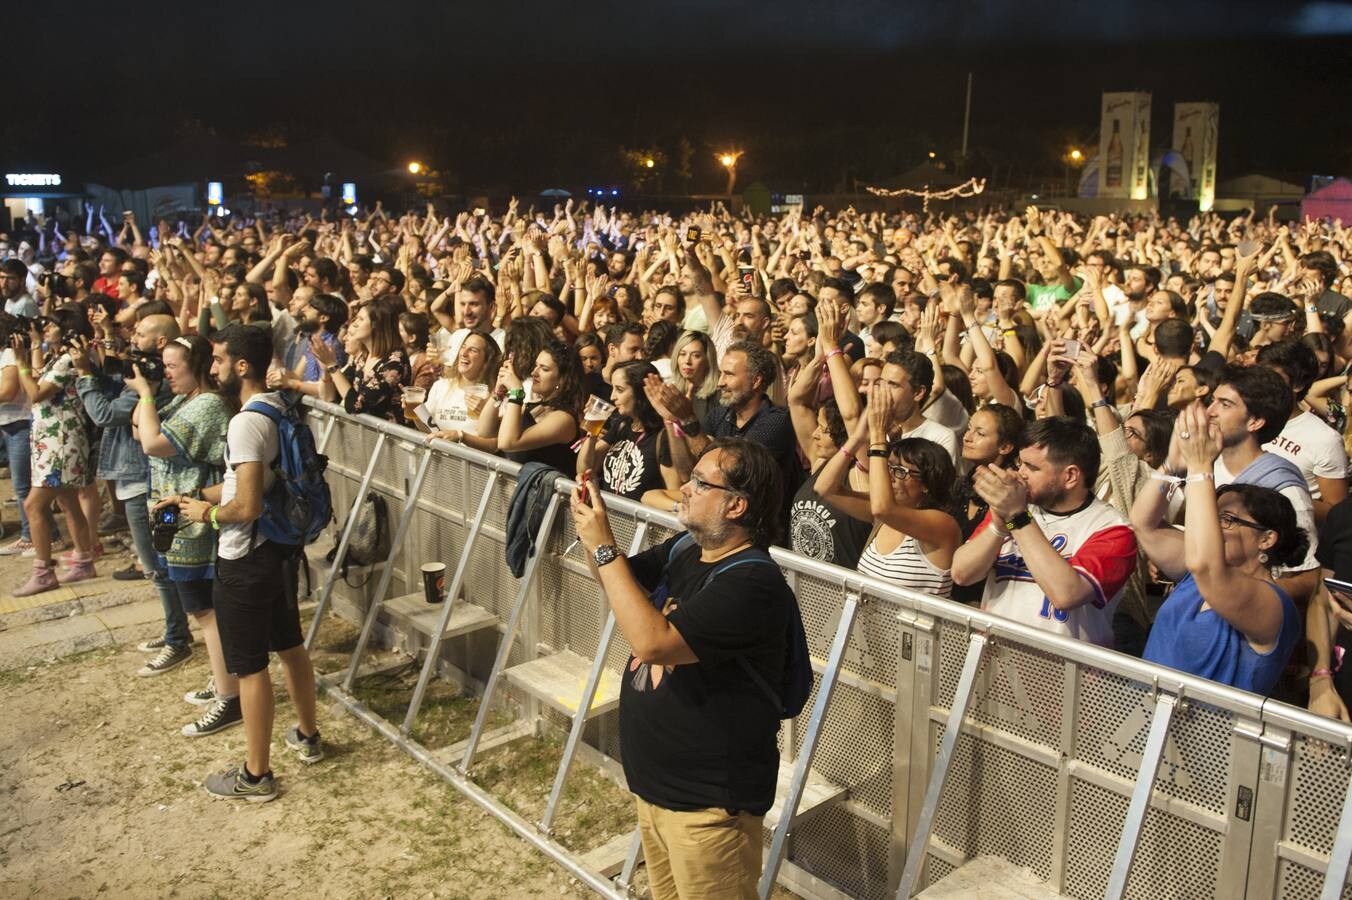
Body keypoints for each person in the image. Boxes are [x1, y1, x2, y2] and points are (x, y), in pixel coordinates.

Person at [569, 438, 795, 900]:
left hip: (708, 807)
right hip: (656, 790)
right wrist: (597, 529)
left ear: (736, 505)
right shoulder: (686, 550)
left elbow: (653, 644)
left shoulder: (754, 582)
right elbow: (616, 582)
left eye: (700, 481)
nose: (685, 488)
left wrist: (605, 548)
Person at [158, 324, 322, 801]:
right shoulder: (277, 407)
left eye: (219, 360)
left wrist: (205, 513)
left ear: (242, 365)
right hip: (274, 552)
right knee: (289, 645)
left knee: (249, 666)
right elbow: (248, 485)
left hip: (244, 557)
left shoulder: (245, 422)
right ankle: (308, 737)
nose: (213, 369)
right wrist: (192, 497)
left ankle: (255, 775)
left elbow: (245, 505)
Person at [1131, 402, 1305, 695]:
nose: (1212, 526)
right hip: (1145, 724)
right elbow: (1143, 524)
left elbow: (1207, 567)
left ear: (1267, 539)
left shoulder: (1274, 604)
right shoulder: (1196, 577)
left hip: (1209, 738)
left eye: (1227, 519)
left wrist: (1201, 467)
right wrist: (1173, 466)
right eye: (1213, 515)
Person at [132, 335, 243, 733]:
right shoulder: (185, 400)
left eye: (171, 367)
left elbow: (151, 442)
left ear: (195, 365)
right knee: (202, 609)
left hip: (196, 523)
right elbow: (137, 429)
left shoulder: (208, 404)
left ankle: (231, 698)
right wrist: (150, 395)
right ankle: (223, 681)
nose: (165, 374)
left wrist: (145, 394)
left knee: (206, 610)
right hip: (176, 520)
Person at [951, 416, 1138, 646]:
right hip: (997, 664)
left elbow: (1066, 594)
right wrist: (999, 526)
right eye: (1020, 463)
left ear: (1070, 476)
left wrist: (1017, 518)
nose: (1020, 474)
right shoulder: (1014, 507)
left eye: (1032, 467)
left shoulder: (1114, 529)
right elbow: (961, 574)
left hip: (1065, 673)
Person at [816, 396, 961, 597]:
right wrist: (857, 437)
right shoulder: (883, 516)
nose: (890, 476)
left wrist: (877, 438)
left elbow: (882, 508)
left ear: (927, 485)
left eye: (901, 471)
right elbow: (825, 488)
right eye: (890, 467)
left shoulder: (943, 525)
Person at [11, 309, 98, 595]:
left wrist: (21, 365)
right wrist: (33, 349)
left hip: (60, 440)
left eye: (51, 325)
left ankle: (43, 571)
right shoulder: (56, 357)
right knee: (68, 501)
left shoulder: (66, 361)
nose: (45, 328)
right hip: (53, 439)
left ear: (67, 328)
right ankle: (84, 560)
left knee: (33, 505)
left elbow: (35, 392)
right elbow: (36, 377)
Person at [579, 360, 681, 503]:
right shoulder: (622, 425)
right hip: (607, 515)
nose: (612, 396)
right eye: (613, 388)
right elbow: (585, 469)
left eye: (619, 390)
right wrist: (592, 432)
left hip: (637, 521)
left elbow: (674, 493)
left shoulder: (663, 436)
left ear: (640, 393)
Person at [478, 340, 582, 474]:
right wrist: (499, 390)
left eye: (544, 369)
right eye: (535, 366)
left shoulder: (564, 418)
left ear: (562, 379)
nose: (534, 372)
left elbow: (507, 443)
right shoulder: (535, 406)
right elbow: (485, 431)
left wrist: (516, 392)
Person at [314, 302, 412, 424]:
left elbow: (355, 406)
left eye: (360, 319)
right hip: (364, 434)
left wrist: (332, 365)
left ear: (376, 325)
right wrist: (326, 370)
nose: (354, 324)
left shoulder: (394, 364)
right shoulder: (363, 356)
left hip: (389, 438)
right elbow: (329, 397)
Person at [421, 330, 502, 453]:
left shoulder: (495, 397)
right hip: (439, 464)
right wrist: (415, 410)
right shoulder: (440, 386)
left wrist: (461, 436)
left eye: (473, 350)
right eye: (463, 347)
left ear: (486, 362)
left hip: (473, 468)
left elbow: (494, 446)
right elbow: (430, 430)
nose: (464, 353)